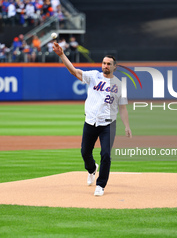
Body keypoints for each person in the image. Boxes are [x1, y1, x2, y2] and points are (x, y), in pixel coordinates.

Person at [53, 42, 132, 196]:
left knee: (106, 154)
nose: (105, 65)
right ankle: (91, 169)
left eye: (109, 64)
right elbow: (74, 72)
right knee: (85, 152)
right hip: (90, 122)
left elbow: (122, 108)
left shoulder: (119, 85)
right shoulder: (93, 76)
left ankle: (101, 185)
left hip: (108, 125)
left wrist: (127, 126)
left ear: (115, 67)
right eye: (104, 63)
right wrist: (62, 55)